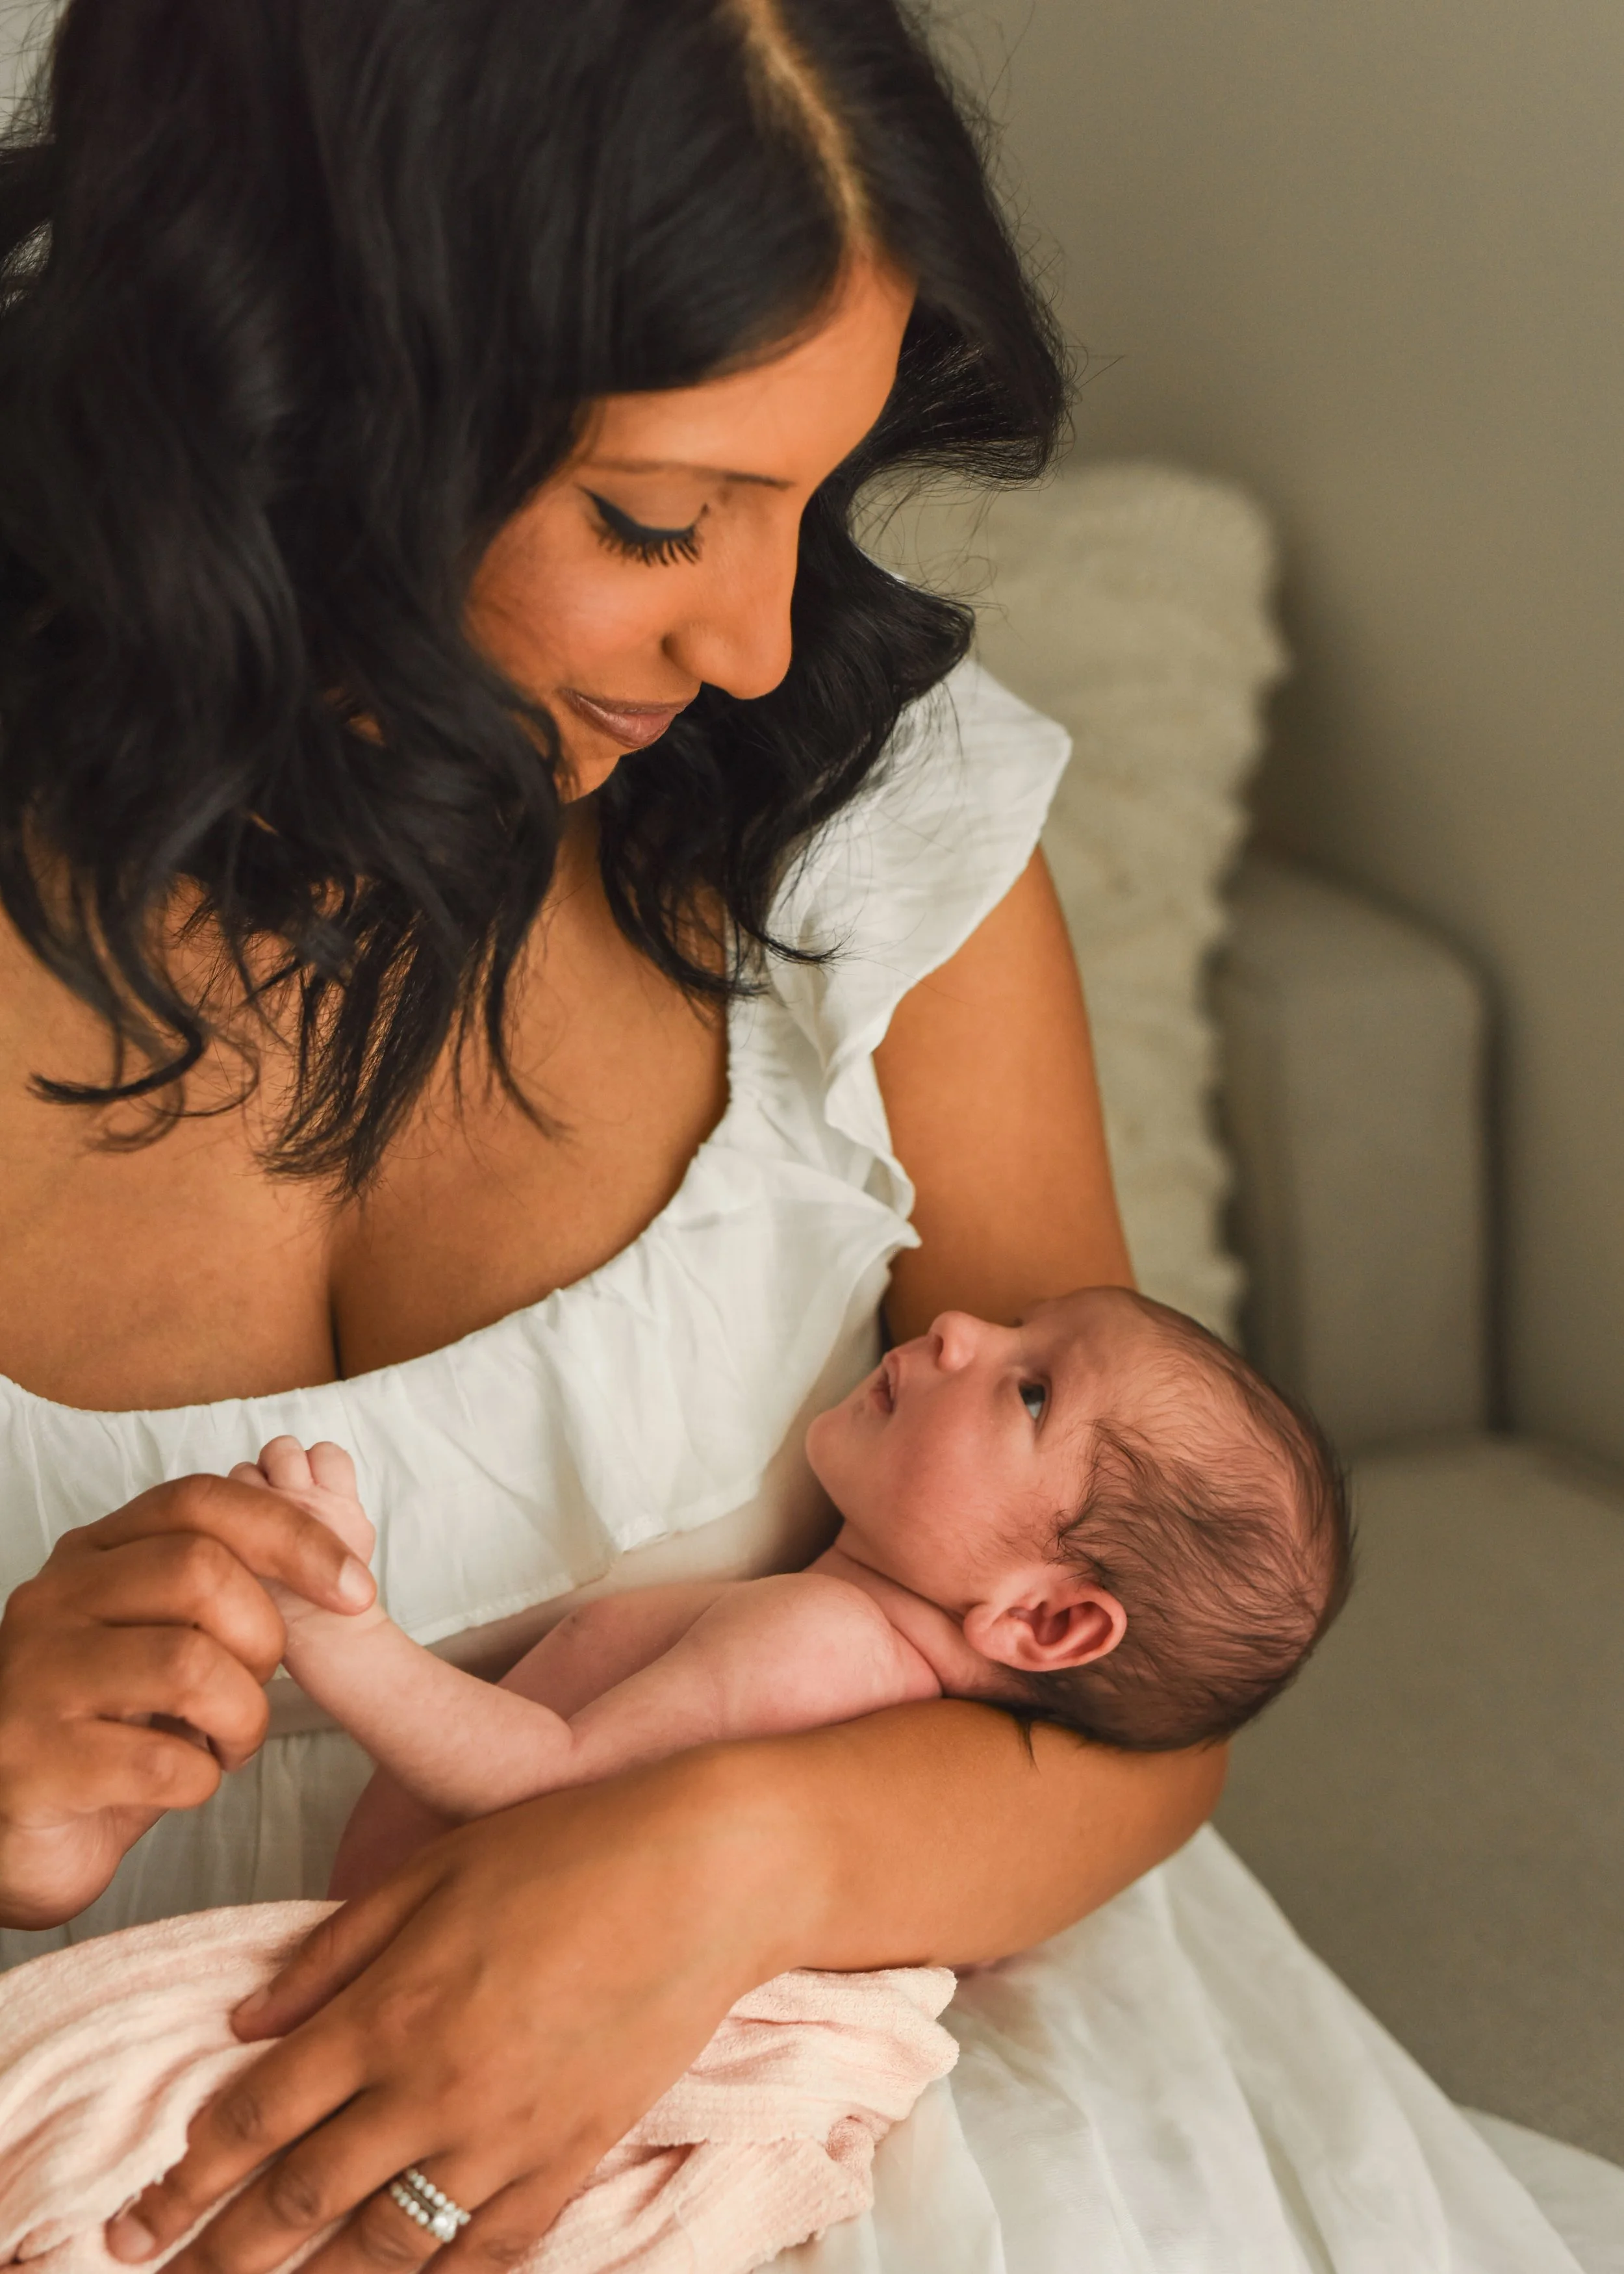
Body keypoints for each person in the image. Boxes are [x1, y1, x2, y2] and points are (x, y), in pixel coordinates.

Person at [0, 5, 1586, 2271]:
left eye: (807, 502)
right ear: (288, 395)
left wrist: (711, 1864)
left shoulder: (865, 825)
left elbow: (1132, 1695)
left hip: (838, 2095)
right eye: (658, 519)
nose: (753, 641)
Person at [220, 1290, 1351, 1898]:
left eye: (1034, 1390)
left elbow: (542, 1788)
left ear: (1044, 1618)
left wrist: (344, 1631)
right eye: (1023, 1324)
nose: (960, 1325)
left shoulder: (816, 1642)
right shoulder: (870, 1670)